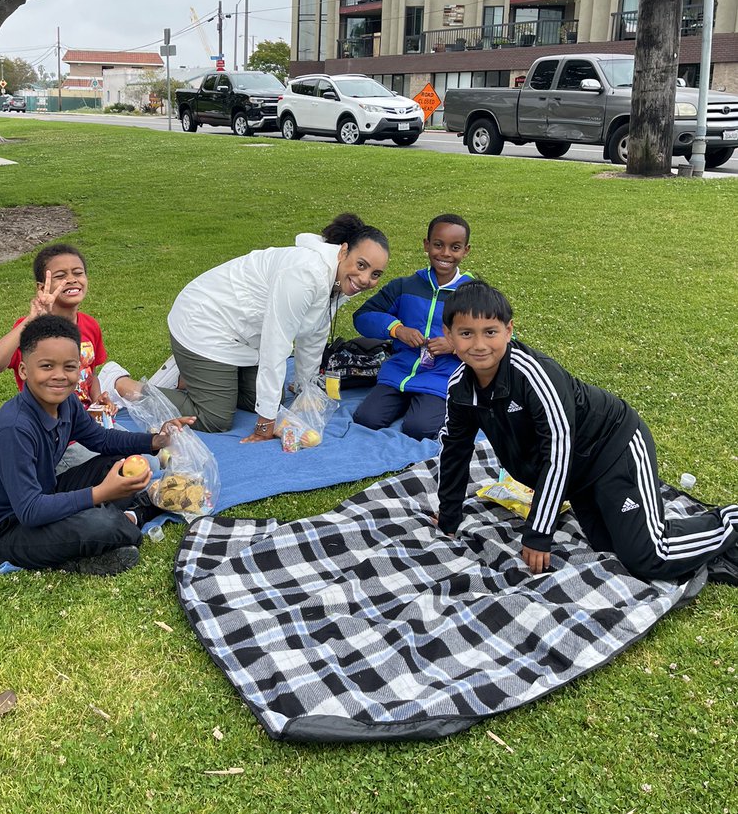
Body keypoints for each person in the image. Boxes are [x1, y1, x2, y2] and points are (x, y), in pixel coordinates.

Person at [434, 281, 738, 584]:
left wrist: (539, 533)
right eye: (466, 333)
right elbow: (454, 450)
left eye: (490, 332)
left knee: (649, 556)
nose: (479, 344)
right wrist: (448, 517)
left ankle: (731, 519)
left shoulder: (534, 374)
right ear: (449, 335)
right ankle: (715, 546)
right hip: (578, 477)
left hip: (614, 446)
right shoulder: (460, 388)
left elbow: (558, 452)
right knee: (610, 551)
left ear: (509, 331)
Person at [0, 315, 193, 575]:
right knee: (102, 524)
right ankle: (133, 517)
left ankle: (133, 511)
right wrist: (101, 493)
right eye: (46, 366)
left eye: (69, 367)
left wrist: (156, 440)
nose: (59, 376)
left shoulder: (67, 403)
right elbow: (29, 510)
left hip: (47, 495)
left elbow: (102, 439)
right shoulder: (14, 429)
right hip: (4, 530)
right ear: (23, 371)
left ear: (80, 369)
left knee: (116, 464)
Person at [163, 213, 390, 440]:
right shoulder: (305, 274)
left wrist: (305, 389)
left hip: (243, 335)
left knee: (271, 400)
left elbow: (315, 333)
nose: (364, 279)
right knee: (215, 419)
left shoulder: (339, 278)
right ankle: (134, 390)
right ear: (343, 251)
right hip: (203, 320)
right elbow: (276, 344)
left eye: (375, 274)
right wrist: (265, 424)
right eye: (362, 265)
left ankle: (196, 378)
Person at [0, 243, 141, 413]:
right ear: (42, 287)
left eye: (78, 273)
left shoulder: (90, 325)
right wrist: (32, 320)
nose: (72, 279)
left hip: (85, 423)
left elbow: (90, 374)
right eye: (60, 276)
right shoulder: (31, 328)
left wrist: (97, 399)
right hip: (47, 425)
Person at [352, 214, 473, 439]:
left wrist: (455, 345)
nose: (445, 253)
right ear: (426, 245)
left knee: (419, 428)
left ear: (465, 250)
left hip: (442, 377)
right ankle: (405, 402)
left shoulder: (474, 294)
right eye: (438, 245)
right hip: (399, 371)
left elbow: (499, 340)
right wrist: (397, 329)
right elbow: (363, 316)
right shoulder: (404, 286)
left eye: (455, 247)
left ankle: (439, 406)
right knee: (366, 419)